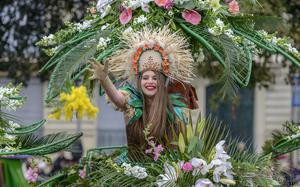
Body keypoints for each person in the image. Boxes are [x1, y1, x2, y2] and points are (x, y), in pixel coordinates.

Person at [89, 27, 197, 149]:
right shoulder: (132, 104)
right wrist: (104, 79)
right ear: (140, 81)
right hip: (133, 166)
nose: (150, 82)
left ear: (161, 82)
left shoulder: (176, 111)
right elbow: (118, 99)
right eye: (145, 78)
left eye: (155, 78)